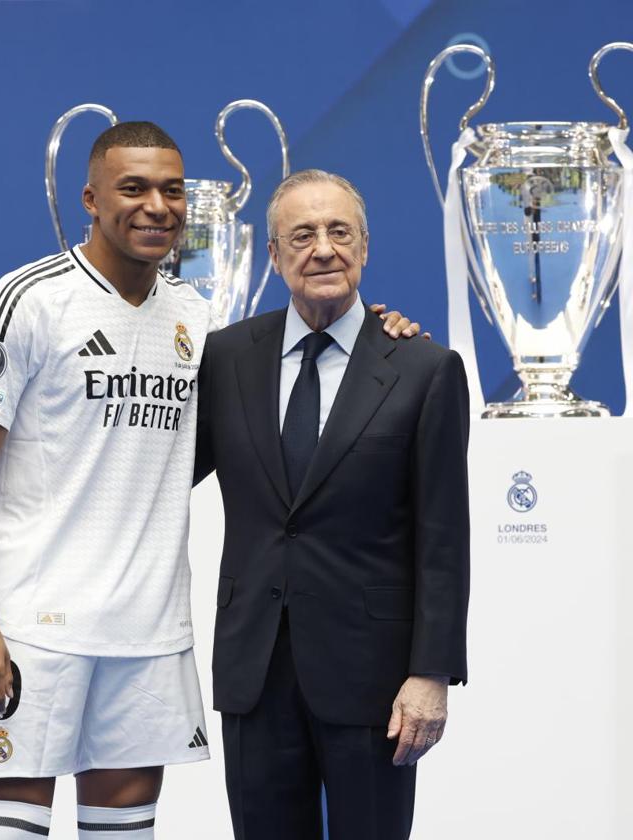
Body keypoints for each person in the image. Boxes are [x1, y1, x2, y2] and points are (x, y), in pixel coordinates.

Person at [0, 125, 418, 838]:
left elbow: (285, 384)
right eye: (132, 188)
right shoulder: (32, 299)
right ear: (91, 198)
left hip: (148, 630)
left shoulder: (199, 322)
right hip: (35, 624)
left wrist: (371, 335)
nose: (156, 206)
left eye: (172, 190)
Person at [194, 169, 470, 840]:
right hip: (255, 671)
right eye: (303, 234)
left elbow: (443, 539)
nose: (323, 248)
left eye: (339, 231)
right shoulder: (225, 359)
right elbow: (156, 472)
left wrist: (430, 673)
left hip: (374, 679)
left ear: (365, 247)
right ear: (274, 255)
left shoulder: (423, 369)